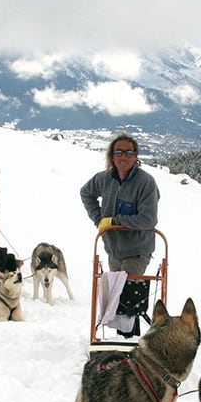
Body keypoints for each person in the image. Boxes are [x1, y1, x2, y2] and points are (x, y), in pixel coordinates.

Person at [79, 133, 159, 336]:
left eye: (129, 152)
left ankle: (128, 340)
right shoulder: (104, 179)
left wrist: (114, 222)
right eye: (119, 152)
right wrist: (98, 219)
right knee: (116, 294)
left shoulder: (146, 183)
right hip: (113, 249)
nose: (124, 156)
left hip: (137, 249)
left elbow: (148, 220)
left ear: (136, 156)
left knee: (127, 294)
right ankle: (123, 338)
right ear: (112, 156)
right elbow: (86, 192)